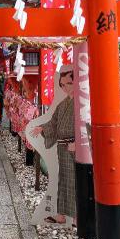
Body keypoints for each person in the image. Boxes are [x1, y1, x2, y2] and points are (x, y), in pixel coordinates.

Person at [31, 70, 75, 225]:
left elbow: (84, 125)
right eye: (62, 85)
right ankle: (62, 215)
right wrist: (42, 128)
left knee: (74, 180)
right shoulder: (63, 104)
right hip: (63, 147)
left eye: (68, 84)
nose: (65, 88)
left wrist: (79, 143)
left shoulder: (82, 103)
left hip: (75, 147)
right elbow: (53, 122)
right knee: (63, 180)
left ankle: (77, 217)